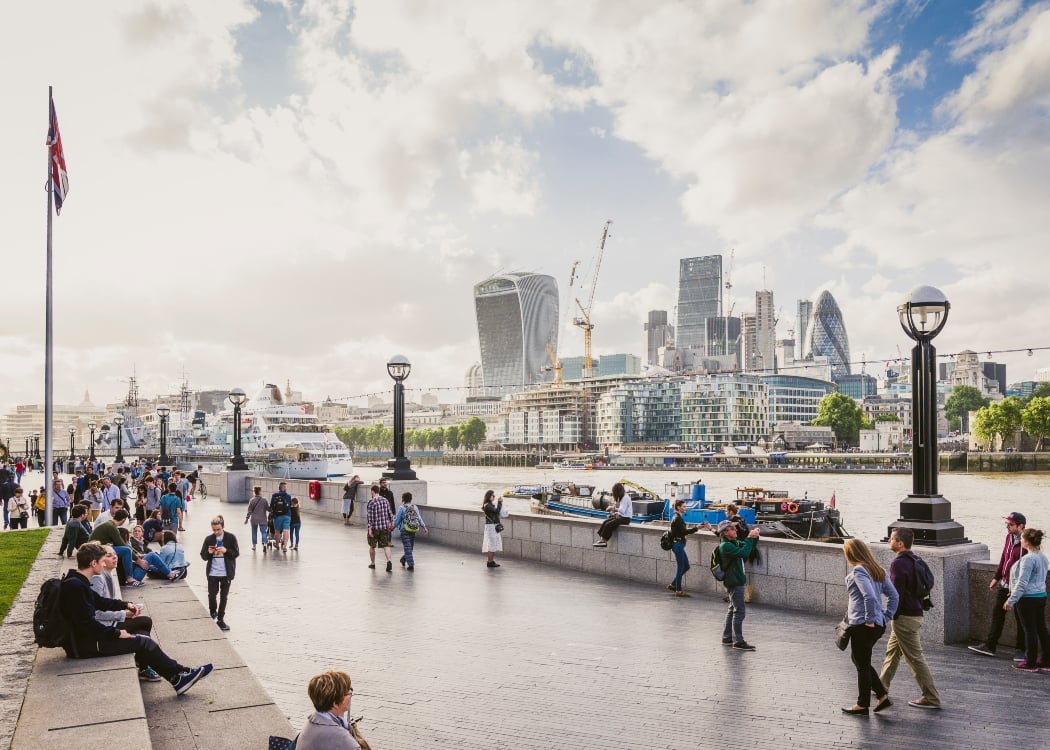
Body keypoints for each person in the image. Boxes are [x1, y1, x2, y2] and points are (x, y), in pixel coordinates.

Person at [59, 541, 212, 695]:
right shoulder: (76, 587)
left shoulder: (78, 581)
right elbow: (87, 623)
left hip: (88, 639)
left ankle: (180, 674)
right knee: (144, 641)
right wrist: (117, 633)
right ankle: (178, 677)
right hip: (84, 645)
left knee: (142, 636)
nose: (103, 564)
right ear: (93, 563)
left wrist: (126, 605)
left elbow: (100, 601)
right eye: (101, 561)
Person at [878, 528, 942, 708]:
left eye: (892, 539)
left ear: (900, 544)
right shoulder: (916, 560)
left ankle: (931, 697)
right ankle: (881, 688)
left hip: (904, 618)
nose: (889, 541)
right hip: (914, 613)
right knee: (892, 653)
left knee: (915, 658)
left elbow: (895, 594)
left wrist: (889, 615)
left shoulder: (898, 564)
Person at [841, 538, 899, 715]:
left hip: (863, 625)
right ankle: (881, 696)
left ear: (851, 554)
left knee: (862, 664)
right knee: (860, 660)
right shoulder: (877, 570)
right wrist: (886, 617)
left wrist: (869, 619)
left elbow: (870, 596)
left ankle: (862, 704)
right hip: (876, 624)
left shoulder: (859, 570)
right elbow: (894, 596)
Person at [969, 511, 1027, 660]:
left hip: (1019, 587)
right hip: (1005, 583)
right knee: (997, 614)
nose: (1007, 526)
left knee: (1021, 618)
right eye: (1007, 523)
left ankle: (1021, 650)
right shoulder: (1009, 537)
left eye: (1011, 524)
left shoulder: (1027, 542)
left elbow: (1026, 568)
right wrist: (996, 577)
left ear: (1021, 526)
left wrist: (1016, 588)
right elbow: (1004, 558)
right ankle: (990, 646)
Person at [1004, 527, 1049, 672]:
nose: (1021, 540)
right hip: (1041, 596)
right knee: (1041, 628)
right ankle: (1046, 661)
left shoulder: (1028, 559)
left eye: (1022, 538)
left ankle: (1030, 663)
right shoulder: (1043, 557)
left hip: (1027, 599)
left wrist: (1011, 600)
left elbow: (1022, 582)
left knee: (1029, 630)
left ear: (1027, 542)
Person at [297, 670, 370, 750]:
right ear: (335, 703)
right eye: (348, 692)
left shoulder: (313, 722)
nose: (351, 695)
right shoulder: (342, 739)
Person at [716, 518, 761, 646]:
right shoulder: (726, 546)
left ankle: (727, 637)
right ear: (725, 533)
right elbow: (744, 552)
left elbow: (748, 547)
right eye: (731, 528)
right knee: (739, 611)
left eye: (734, 527)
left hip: (734, 580)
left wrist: (754, 537)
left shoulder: (733, 542)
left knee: (732, 609)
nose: (735, 529)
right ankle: (738, 641)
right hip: (734, 581)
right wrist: (749, 538)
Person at [200, 515, 239, 631]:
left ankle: (221, 619)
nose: (216, 532)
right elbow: (203, 556)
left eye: (218, 529)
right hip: (212, 573)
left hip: (226, 573)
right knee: (212, 595)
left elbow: (236, 553)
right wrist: (209, 552)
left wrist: (226, 551)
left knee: (223, 597)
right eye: (214, 530)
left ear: (223, 526)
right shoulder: (209, 539)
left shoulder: (231, 537)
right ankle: (213, 612)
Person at [88, 509, 138, 586]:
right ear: (124, 520)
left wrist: (137, 554)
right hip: (94, 550)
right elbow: (122, 545)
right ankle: (129, 579)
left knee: (125, 550)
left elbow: (122, 543)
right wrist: (138, 559)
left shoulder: (110, 524)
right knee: (126, 551)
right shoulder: (111, 527)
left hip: (95, 548)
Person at [665, 499, 701, 596]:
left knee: (686, 566)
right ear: (678, 507)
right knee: (681, 567)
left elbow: (681, 531)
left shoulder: (677, 517)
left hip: (679, 545)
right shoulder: (677, 518)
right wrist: (696, 528)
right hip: (678, 545)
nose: (685, 508)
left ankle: (673, 584)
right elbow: (684, 532)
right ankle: (678, 590)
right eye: (684, 506)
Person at [394, 491, 428, 570]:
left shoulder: (402, 508)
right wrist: (424, 527)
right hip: (413, 529)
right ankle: (410, 563)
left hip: (404, 529)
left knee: (408, 548)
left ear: (403, 499)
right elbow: (419, 518)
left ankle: (408, 563)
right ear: (411, 499)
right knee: (410, 548)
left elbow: (397, 520)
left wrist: (392, 527)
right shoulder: (414, 507)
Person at [366, 484, 395, 571]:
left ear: (372, 492)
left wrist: (370, 529)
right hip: (384, 527)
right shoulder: (385, 500)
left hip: (375, 528)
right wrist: (391, 523)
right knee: (386, 545)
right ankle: (389, 561)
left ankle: (373, 563)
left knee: (372, 546)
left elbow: (370, 517)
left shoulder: (371, 502)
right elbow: (390, 514)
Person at [593, 483, 632, 548]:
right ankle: (602, 539)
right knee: (605, 522)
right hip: (622, 517)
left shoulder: (625, 498)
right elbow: (623, 511)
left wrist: (612, 508)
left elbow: (622, 510)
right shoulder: (624, 497)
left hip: (626, 519)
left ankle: (604, 541)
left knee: (609, 524)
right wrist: (617, 513)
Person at [244, 486, 269, 550]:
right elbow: (268, 509)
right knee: (264, 532)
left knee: (254, 532)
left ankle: (254, 546)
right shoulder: (264, 500)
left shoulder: (252, 500)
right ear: (259, 491)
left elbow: (249, 511)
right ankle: (264, 544)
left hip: (254, 519)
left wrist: (247, 519)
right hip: (263, 519)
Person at [270, 482, 293, 550]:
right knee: (286, 531)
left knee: (277, 531)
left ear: (279, 488)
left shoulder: (274, 495)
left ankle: (277, 544)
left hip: (277, 516)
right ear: (284, 488)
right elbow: (289, 506)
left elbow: (271, 506)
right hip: (287, 516)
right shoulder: (288, 496)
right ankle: (285, 546)